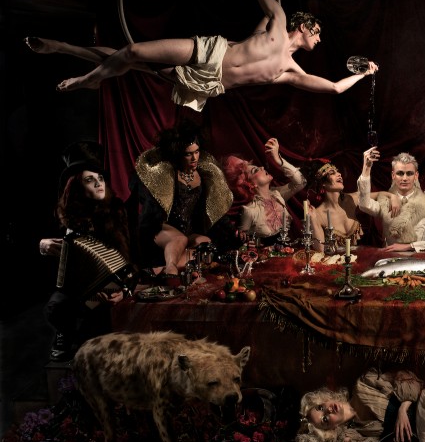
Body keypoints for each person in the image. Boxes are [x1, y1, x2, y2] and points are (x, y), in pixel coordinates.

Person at [24, 0, 379, 111]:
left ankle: (69, 54)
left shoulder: (290, 70)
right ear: (304, 26)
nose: (320, 38)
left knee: (131, 62)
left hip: (210, 82)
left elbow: (334, 88)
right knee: (132, 52)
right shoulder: (277, 20)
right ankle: (82, 71)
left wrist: (363, 74)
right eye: (318, 32)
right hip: (212, 51)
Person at [39, 141, 132, 361]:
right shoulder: (62, 213)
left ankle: (84, 333)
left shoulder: (117, 212)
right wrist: (41, 244)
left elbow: (129, 261)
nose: (99, 183)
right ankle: (65, 332)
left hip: (108, 288)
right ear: (76, 186)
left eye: (101, 178)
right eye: (90, 180)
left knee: (97, 328)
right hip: (73, 289)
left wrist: (124, 290)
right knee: (56, 306)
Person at [129, 119, 234, 280]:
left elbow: (213, 207)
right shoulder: (167, 174)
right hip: (164, 229)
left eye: (197, 152)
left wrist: (232, 230)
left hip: (188, 230)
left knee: (205, 243)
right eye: (188, 154)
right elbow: (148, 204)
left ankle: (158, 270)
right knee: (180, 238)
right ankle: (171, 270)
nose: (194, 158)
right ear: (178, 154)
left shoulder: (204, 175)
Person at [357, 148, 425, 253]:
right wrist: (366, 168)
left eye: (409, 173)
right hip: (390, 259)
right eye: (400, 173)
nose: (404, 178)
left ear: (416, 176)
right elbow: (364, 204)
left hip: (418, 260)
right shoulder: (386, 202)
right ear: (393, 175)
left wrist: (410, 246)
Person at [299, 158, 400, 252]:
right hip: (337, 263)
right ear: (323, 183)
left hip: (365, 257)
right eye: (332, 173)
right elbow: (320, 250)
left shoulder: (352, 199)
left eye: (338, 171)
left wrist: (393, 197)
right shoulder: (318, 214)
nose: (339, 174)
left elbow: (379, 194)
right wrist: (312, 220)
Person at [222, 137, 306, 245]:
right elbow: (242, 245)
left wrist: (278, 160)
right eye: (255, 170)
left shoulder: (278, 195)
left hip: (292, 251)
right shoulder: (249, 211)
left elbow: (301, 182)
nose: (262, 167)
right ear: (250, 184)